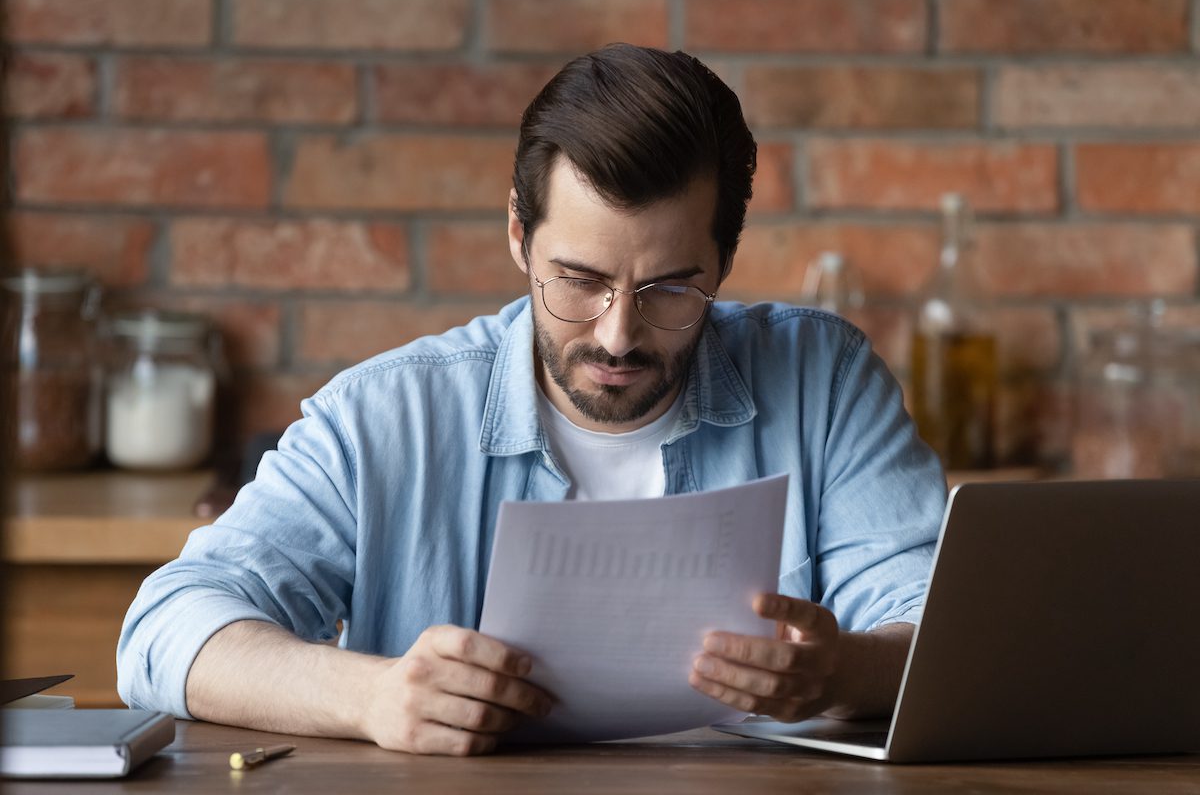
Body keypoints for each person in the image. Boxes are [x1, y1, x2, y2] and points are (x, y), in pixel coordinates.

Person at [117, 44, 945, 757]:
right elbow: (164, 630)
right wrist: (370, 696)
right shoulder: (386, 416)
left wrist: (841, 673)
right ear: (519, 233)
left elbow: (945, 635)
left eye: (668, 289)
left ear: (724, 261)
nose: (617, 335)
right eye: (578, 281)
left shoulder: (824, 381)